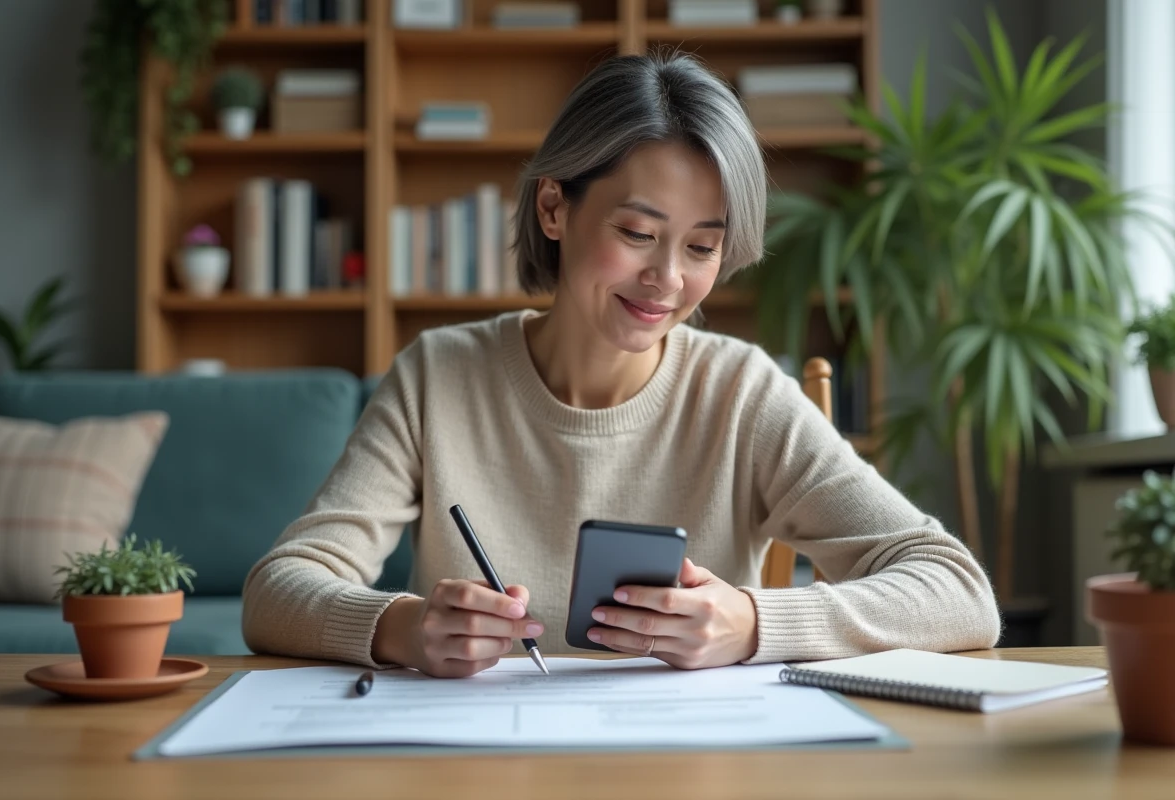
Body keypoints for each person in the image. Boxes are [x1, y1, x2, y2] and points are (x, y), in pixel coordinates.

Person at [242, 51, 1001, 678]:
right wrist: (402, 628)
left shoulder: (739, 391)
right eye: (638, 233)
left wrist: (751, 620)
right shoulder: (439, 377)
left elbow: (959, 590)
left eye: (702, 247)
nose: (669, 279)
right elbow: (276, 591)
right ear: (553, 210)